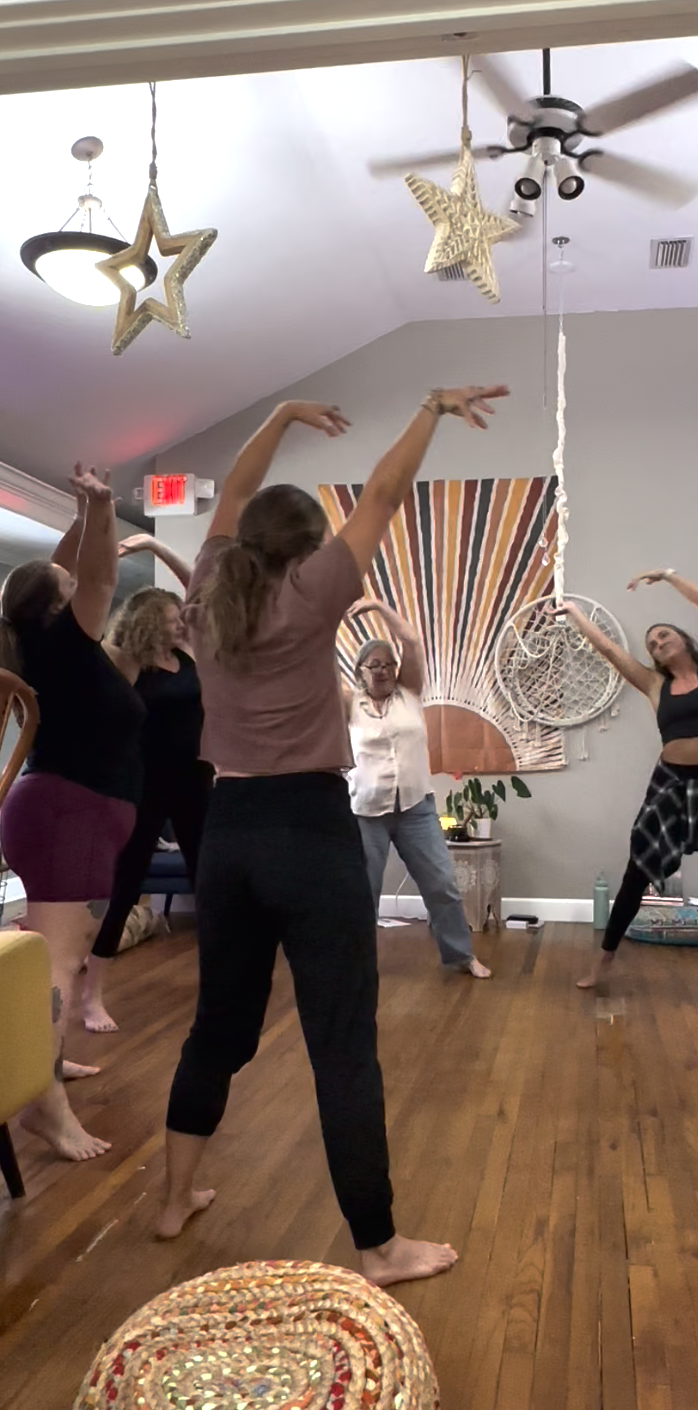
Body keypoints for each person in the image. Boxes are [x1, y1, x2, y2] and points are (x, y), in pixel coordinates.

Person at [159, 385, 508, 1289]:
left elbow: (229, 497)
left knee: (218, 1028)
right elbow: (386, 495)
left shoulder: (207, 588)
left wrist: (274, 418)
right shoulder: (314, 590)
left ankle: (173, 1198)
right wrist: (428, 408)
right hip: (311, 830)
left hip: (227, 831)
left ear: (240, 544)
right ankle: (378, 1247)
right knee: (342, 1041)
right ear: (309, 548)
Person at [0, 467, 145, 1160]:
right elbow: (95, 580)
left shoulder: (42, 637)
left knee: (59, 956)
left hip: (63, 812)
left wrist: (89, 518)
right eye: (67, 588)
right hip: (69, 816)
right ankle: (42, 1104)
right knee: (59, 962)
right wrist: (99, 504)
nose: (76, 582)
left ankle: (45, 1069)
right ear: (59, 606)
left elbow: (67, 567)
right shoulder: (65, 641)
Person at [551, 570, 698, 1011]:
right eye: (651, 644)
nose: (657, 644)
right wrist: (575, 614)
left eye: (663, 636)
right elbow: (608, 649)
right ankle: (603, 962)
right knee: (635, 877)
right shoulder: (654, 685)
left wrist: (667, 576)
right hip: (669, 788)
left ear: (684, 640)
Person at [82, 535, 211, 1033]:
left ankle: (221, 982)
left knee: (210, 877)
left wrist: (158, 548)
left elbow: (197, 593)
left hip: (195, 780)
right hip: (144, 783)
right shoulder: (126, 662)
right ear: (148, 619)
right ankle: (92, 995)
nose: (181, 620)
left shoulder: (191, 654)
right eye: (171, 615)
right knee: (125, 883)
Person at [345, 600, 490, 978]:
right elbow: (318, 668)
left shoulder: (409, 693)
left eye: (387, 664)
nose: (382, 671)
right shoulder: (349, 703)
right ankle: (357, 967)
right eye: (373, 665)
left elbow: (411, 640)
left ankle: (461, 956)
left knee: (442, 884)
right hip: (364, 812)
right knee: (363, 895)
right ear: (360, 671)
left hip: (416, 808)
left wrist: (377, 605)